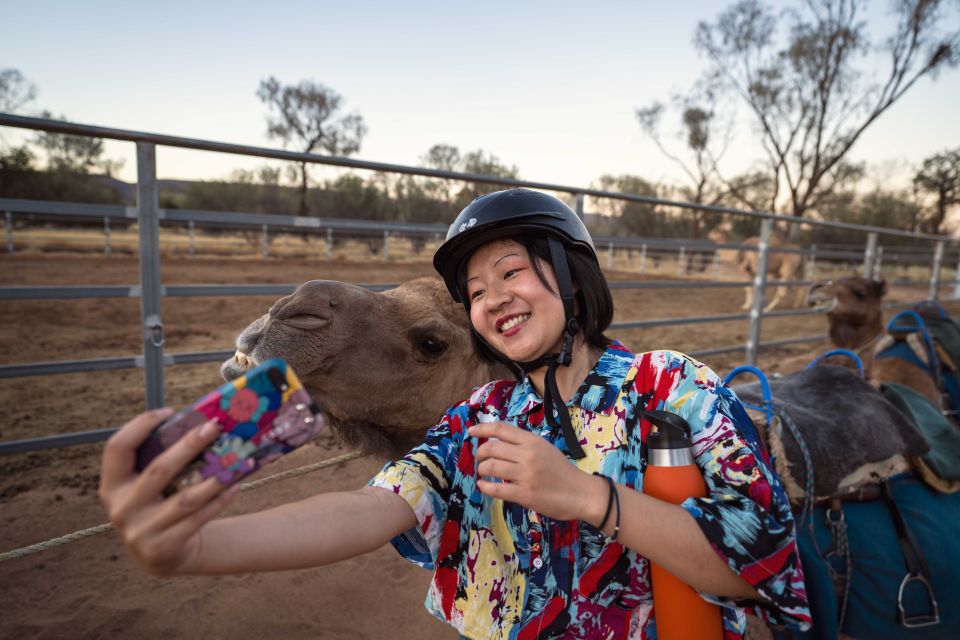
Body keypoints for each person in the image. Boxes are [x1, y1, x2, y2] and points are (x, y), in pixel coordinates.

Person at [100, 188, 811, 639]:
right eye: (476, 290)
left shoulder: (671, 389)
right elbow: (372, 509)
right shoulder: (480, 413)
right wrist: (197, 550)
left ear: (570, 277)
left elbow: (757, 567)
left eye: (512, 273)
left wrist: (586, 497)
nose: (494, 296)